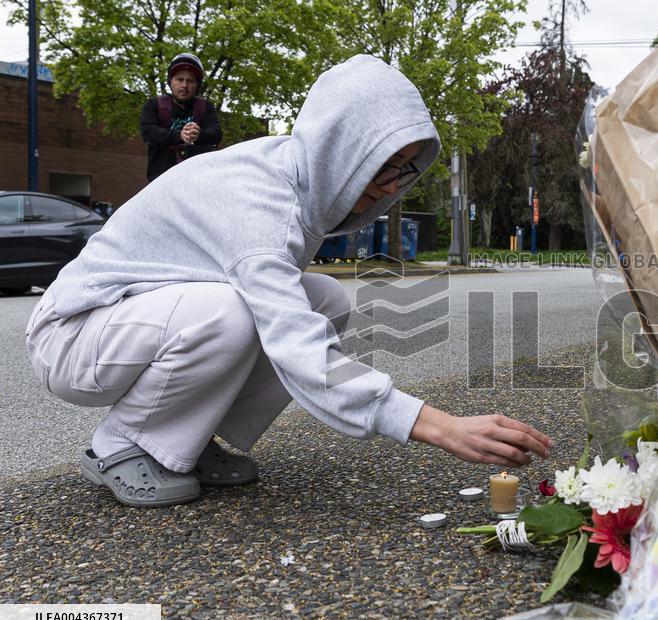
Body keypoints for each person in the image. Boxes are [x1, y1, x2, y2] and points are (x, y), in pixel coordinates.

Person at [25, 55, 552, 508]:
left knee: (321, 297)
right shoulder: (258, 202)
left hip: (127, 324)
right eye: (381, 167)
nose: (390, 187)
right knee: (232, 314)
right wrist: (440, 425)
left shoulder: (293, 183)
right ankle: (120, 445)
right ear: (339, 151)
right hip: (72, 337)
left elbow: (297, 319)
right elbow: (295, 344)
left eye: (403, 171)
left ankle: (181, 437)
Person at [139, 53, 223, 182]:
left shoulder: (206, 107)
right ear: (170, 82)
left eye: (190, 81)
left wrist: (198, 135)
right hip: (161, 179)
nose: (184, 85)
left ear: (197, 85)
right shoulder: (154, 105)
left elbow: (216, 134)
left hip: (198, 178)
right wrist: (180, 136)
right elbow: (147, 131)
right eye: (179, 79)